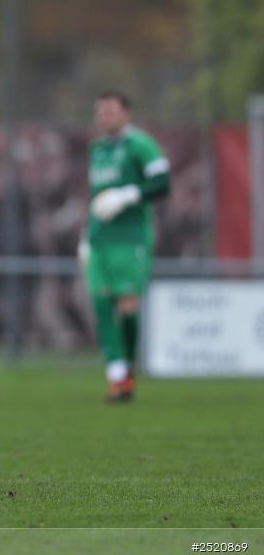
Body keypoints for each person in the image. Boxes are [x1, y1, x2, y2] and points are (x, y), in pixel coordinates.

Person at [80, 90, 170, 402]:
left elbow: (162, 184)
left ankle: (128, 370)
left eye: (110, 112)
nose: (104, 117)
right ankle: (117, 377)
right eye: (100, 112)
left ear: (126, 114)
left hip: (131, 239)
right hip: (100, 241)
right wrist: (86, 237)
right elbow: (96, 199)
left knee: (128, 309)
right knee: (102, 305)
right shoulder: (97, 150)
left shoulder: (141, 145)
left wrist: (128, 195)